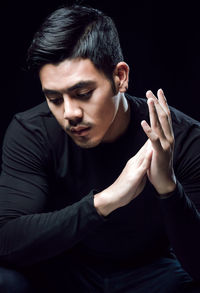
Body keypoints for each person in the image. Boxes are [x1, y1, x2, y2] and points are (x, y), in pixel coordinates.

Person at [0, 4, 199, 293]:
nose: (69, 113)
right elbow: (5, 239)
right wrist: (106, 200)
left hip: (153, 274)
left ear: (120, 77)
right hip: (63, 271)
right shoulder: (33, 131)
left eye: (83, 94)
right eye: (54, 99)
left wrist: (168, 187)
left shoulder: (183, 137)